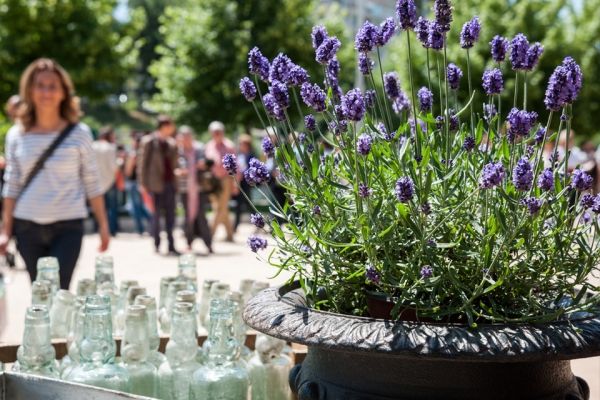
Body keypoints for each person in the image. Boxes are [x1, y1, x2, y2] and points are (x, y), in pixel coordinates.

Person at [0, 58, 109, 289]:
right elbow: (11, 185)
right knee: (39, 293)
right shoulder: (16, 135)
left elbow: (92, 181)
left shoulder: (80, 133)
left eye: (52, 86)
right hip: (26, 226)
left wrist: (103, 226)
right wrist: (5, 231)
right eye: (40, 85)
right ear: (30, 90)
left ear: (63, 93)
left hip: (68, 226)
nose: (46, 92)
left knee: (60, 293)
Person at [137, 115, 179, 255]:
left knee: (171, 216)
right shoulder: (149, 141)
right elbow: (142, 164)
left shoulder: (172, 143)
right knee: (155, 216)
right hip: (155, 185)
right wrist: (143, 184)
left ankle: (171, 245)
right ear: (163, 126)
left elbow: (175, 163)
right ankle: (156, 244)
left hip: (170, 184)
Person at [176, 126, 213, 253]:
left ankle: (208, 244)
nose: (186, 140)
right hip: (184, 188)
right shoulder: (177, 151)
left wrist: (203, 164)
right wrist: (178, 172)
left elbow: (208, 163)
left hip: (199, 187)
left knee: (201, 216)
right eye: (184, 138)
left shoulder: (199, 148)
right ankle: (189, 243)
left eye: (188, 137)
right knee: (187, 216)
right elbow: (174, 168)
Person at [204, 121, 237, 242]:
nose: (216, 134)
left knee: (220, 207)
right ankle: (230, 235)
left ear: (222, 132)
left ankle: (209, 234)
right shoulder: (208, 145)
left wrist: (235, 183)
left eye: (218, 132)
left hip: (226, 179)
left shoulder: (229, 145)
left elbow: (235, 166)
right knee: (219, 208)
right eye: (214, 132)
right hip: (212, 181)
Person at [92, 126, 119, 236]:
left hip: (95, 182)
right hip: (109, 181)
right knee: (112, 207)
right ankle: (111, 229)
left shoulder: (92, 146)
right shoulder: (110, 148)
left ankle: (97, 227)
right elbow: (114, 167)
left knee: (97, 206)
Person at [124, 132, 151, 234]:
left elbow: (128, 171)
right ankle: (151, 224)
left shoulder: (133, 154)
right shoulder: (146, 153)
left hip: (133, 183)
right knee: (144, 205)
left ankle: (140, 229)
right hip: (144, 183)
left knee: (136, 207)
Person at [234, 134, 255, 232]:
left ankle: (258, 222)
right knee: (239, 205)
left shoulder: (251, 156)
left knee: (248, 204)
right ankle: (235, 226)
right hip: (239, 182)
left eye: (242, 144)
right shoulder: (239, 155)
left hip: (247, 183)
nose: (240, 145)